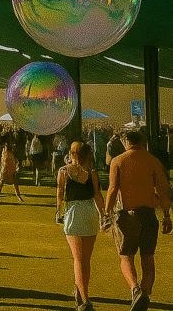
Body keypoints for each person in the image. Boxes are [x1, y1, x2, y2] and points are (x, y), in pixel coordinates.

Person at [104, 129, 172, 311]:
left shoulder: (118, 161)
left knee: (126, 256)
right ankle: (146, 293)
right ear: (141, 141)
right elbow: (164, 190)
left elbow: (112, 189)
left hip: (126, 214)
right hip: (148, 214)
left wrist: (106, 213)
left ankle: (135, 289)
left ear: (126, 142)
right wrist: (167, 215)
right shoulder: (153, 161)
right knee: (148, 257)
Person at [56, 141, 105, 311]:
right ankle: (80, 292)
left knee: (78, 259)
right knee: (86, 260)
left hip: (74, 213)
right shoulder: (91, 173)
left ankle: (85, 299)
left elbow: (60, 193)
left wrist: (58, 211)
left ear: (72, 153)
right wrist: (103, 214)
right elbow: (97, 195)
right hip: (90, 212)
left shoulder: (64, 171)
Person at [0, 136, 23, 202]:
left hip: (9, 170)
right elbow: (6, 162)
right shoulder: (6, 153)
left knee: (13, 183)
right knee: (2, 182)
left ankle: (18, 196)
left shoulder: (9, 154)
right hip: (6, 170)